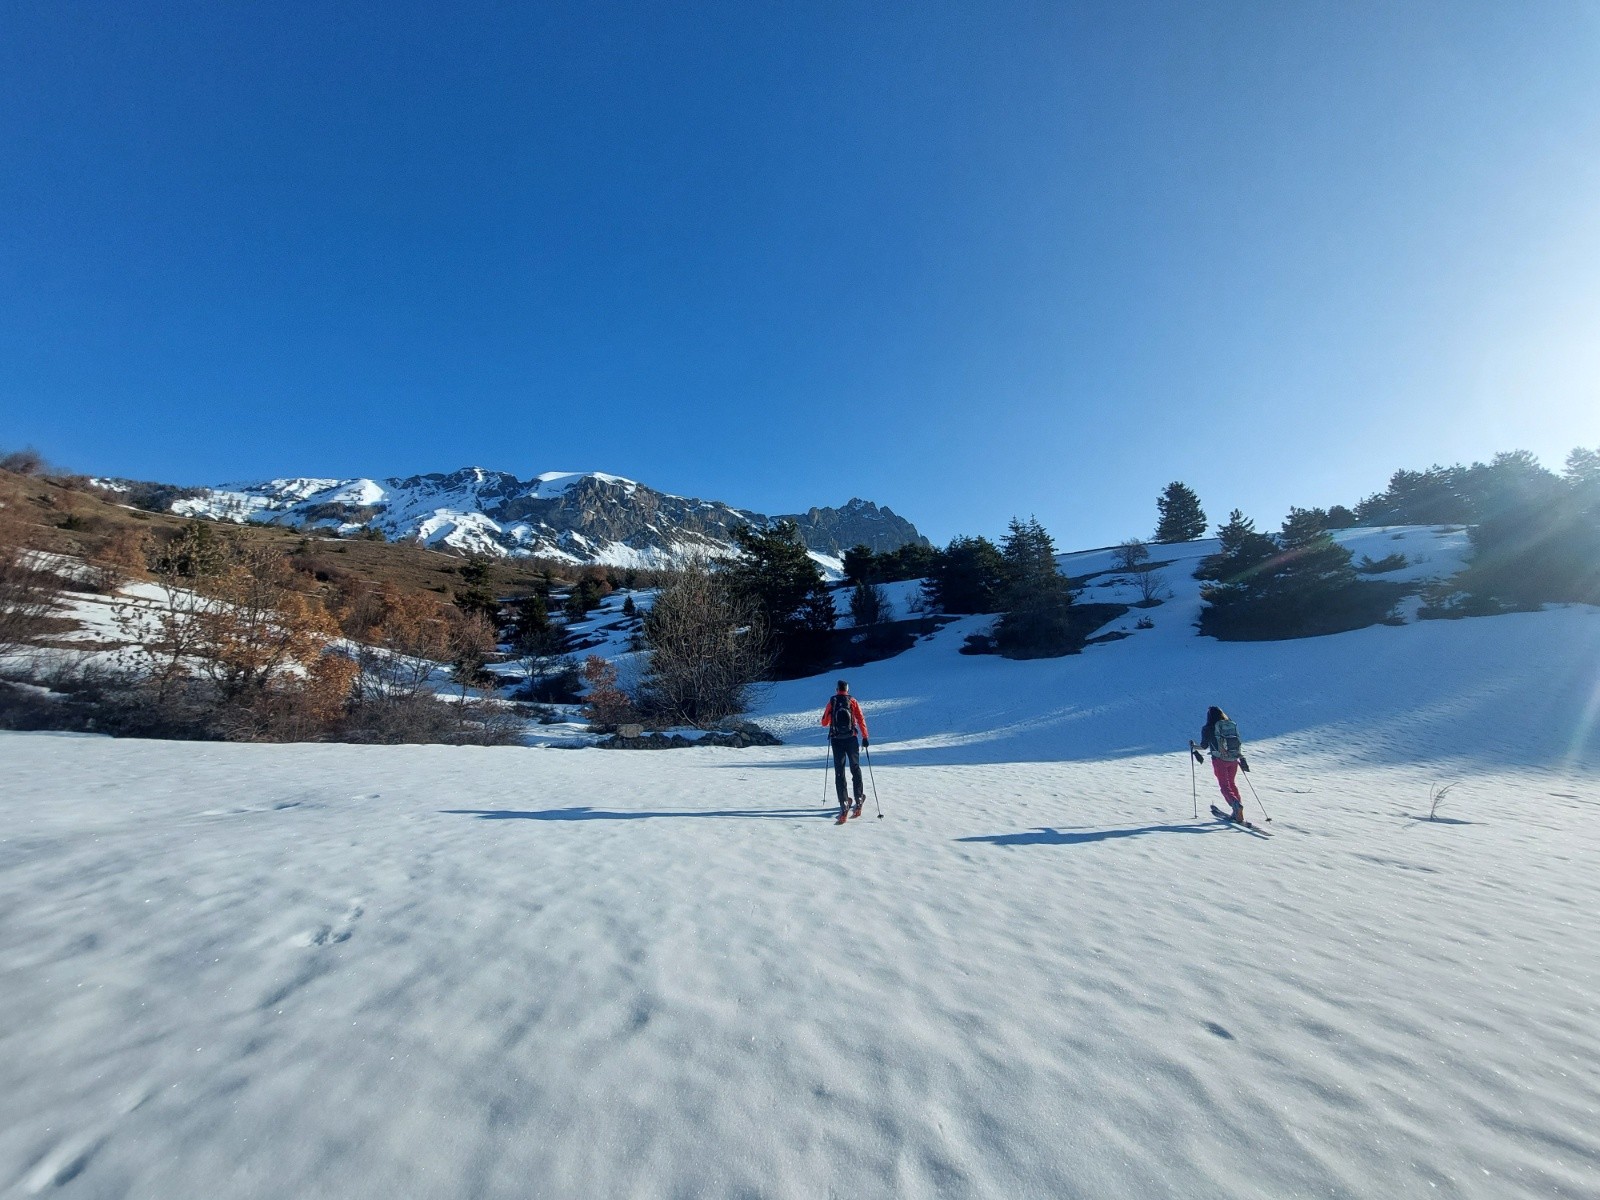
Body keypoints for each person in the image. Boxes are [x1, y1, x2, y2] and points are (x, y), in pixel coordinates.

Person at [820, 679, 869, 820]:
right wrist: (865, 737)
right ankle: (859, 799)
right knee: (855, 768)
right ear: (847, 689)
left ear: (837, 689)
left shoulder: (833, 702)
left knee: (839, 772)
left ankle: (844, 803)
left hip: (836, 740)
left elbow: (824, 723)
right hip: (851, 739)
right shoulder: (852, 701)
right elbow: (860, 719)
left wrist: (830, 717)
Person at [1195, 705, 1246, 823]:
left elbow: (1204, 746)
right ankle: (1237, 809)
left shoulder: (1207, 728)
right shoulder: (1228, 726)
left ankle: (1236, 806)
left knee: (1224, 785)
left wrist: (1193, 746)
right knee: (1232, 783)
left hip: (1219, 760)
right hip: (1233, 759)